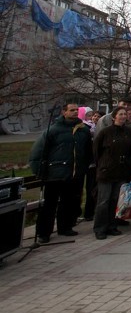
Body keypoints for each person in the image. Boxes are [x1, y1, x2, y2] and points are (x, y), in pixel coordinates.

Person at [28, 102, 93, 243]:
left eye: (76, 110)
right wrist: (40, 170)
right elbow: (38, 151)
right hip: (54, 174)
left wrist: (83, 167)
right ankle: (44, 232)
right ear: (64, 112)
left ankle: (65, 227)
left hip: (74, 174)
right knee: (49, 204)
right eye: (71, 110)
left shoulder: (83, 130)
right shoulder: (53, 130)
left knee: (69, 202)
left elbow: (88, 151)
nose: (75, 112)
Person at [92, 106, 131, 240]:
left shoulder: (130, 132)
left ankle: (112, 226)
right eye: (121, 114)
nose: (123, 116)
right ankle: (100, 228)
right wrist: (102, 165)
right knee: (103, 201)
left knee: (114, 200)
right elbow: (96, 150)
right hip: (106, 171)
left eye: (125, 114)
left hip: (121, 171)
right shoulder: (105, 132)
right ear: (114, 117)